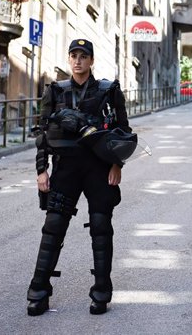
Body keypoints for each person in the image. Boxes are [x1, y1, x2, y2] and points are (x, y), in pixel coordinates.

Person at [27, 39, 131, 316]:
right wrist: (41, 170)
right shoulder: (55, 90)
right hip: (66, 168)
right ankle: (38, 293)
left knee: (101, 227)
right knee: (53, 227)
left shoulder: (109, 91)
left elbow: (123, 131)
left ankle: (101, 294)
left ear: (91, 60)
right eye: (73, 55)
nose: (77, 60)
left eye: (83, 56)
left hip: (99, 168)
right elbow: (43, 133)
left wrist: (117, 164)